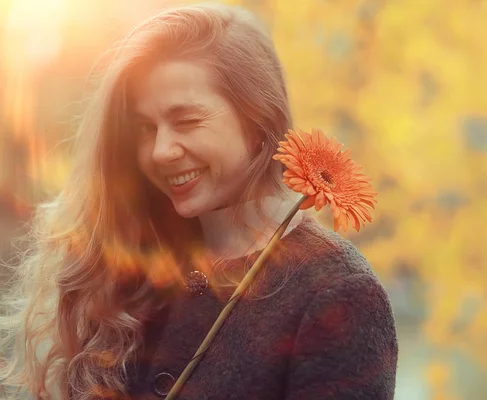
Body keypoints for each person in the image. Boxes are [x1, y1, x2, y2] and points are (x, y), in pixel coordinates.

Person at [0, 3, 398, 399]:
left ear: (259, 119)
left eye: (187, 121)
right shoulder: (130, 258)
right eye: (145, 128)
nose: (160, 151)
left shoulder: (338, 294)